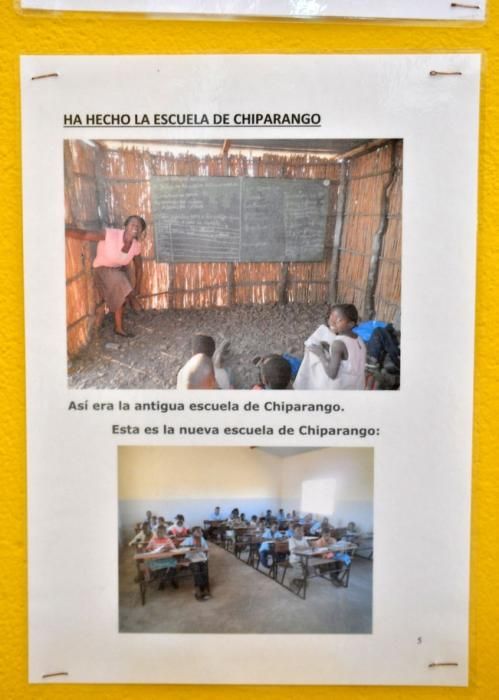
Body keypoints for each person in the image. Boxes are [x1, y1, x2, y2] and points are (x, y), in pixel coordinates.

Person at [66, 215, 146, 337]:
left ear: (141, 231)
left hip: (118, 272)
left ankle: (118, 328)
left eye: (139, 226)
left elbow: (139, 267)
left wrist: (138, 287)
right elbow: (85, 235)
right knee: (121, 282)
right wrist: (63, 231)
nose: (135, 227)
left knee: (121, 291)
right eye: (133, 224)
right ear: (125, 226)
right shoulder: (111, 235)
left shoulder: (135, 246)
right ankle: (132, 298)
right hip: (102, 270)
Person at [293, 304, 366, 390]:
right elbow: (347, 357)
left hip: (341, 388)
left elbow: (332, 374)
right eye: (331, 318)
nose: (332, 322)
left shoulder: (338, 343)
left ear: (350, 324)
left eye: (338, 320)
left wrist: (320, 354)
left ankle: (303, 387)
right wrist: (328, 348)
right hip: (357, 385)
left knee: (312, 354)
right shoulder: (358, 339)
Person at [143, 525, 179, 589]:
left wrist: (169, 548)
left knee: (172, 568)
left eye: (162, 532)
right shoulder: (153, 539)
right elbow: (147, 548)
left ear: (165, 533)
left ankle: (172, 580)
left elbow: (174, 548)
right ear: (156, 532)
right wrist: (151, 550)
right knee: (161, 570)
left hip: (167, 558)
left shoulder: (168, 539)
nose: (159, 534)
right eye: (158, 532)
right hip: (157, 559)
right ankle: (162, 582)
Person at [182, 526, 211, 600]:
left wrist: (206, 556)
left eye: (200, 531)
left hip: (201, 557)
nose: (199, 532)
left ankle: (203, 588)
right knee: (197, 570)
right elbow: (181, 546)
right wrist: (190, 547)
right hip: (191, 557)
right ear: (192, 533)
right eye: (197, 531)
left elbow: (206, 549)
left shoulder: (202, 539)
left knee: (204, 570)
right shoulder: (188, 539)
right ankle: (199, 589)